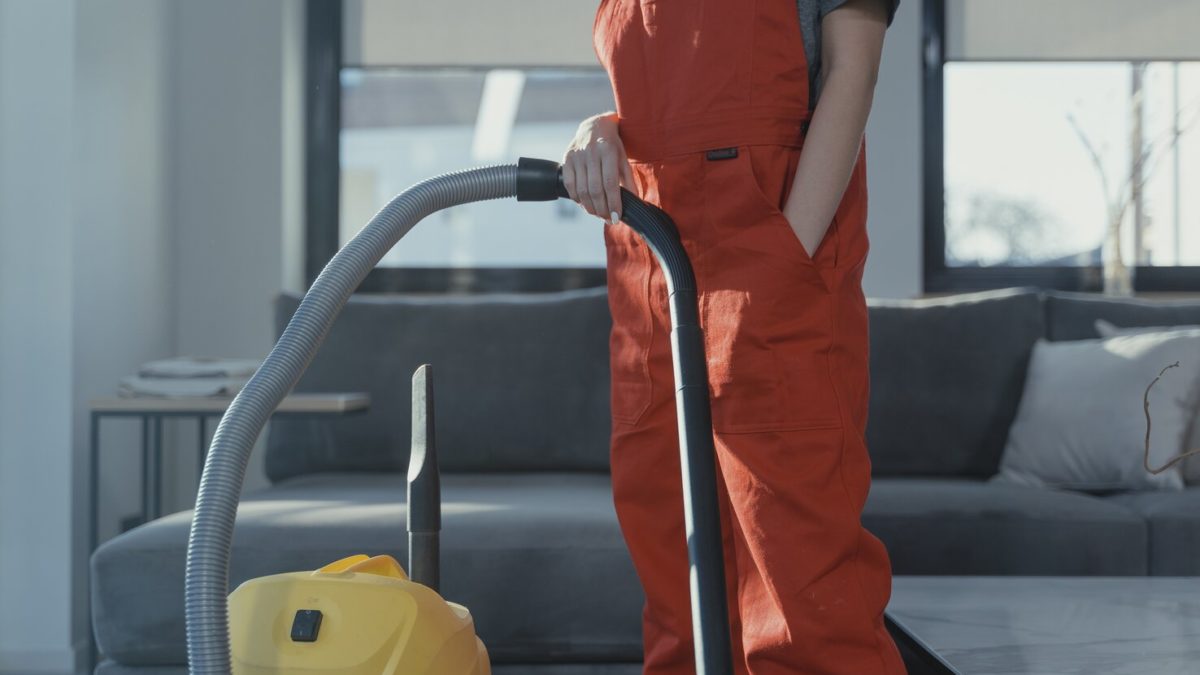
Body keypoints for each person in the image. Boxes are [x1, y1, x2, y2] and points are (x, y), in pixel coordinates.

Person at [562, 0, 904, 673]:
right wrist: (597, 130)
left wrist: (785, 260)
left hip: (767, 252)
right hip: (652, 269)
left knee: (800, 586)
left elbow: (852, 72)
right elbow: (647, 104)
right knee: (676, 579)